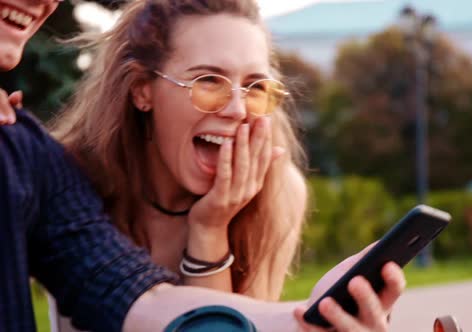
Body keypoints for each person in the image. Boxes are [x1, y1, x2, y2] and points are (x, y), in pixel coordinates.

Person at [0, 0, 406, 331]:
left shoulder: (277, 191)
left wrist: (312, 317)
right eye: (208, 81)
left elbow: (165, 306)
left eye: (253, 87)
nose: (235, 109)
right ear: (142, 90)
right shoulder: (64, 171)